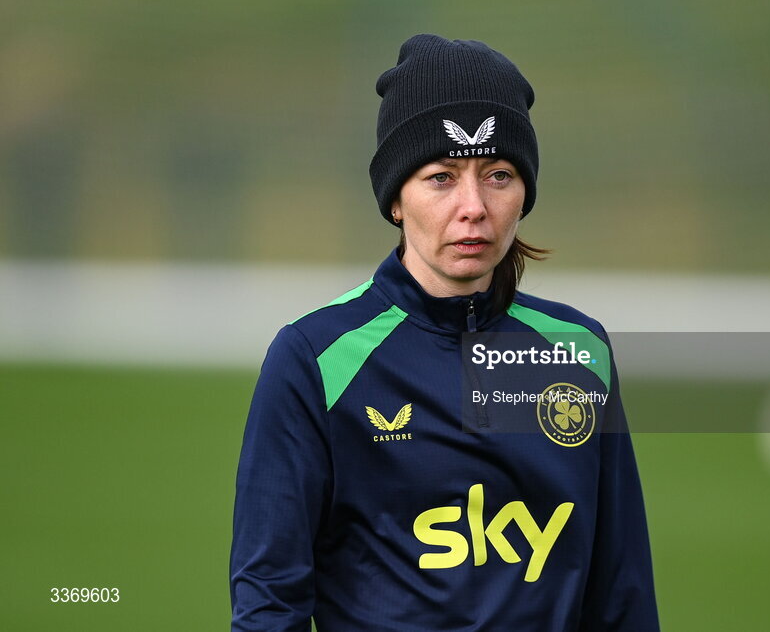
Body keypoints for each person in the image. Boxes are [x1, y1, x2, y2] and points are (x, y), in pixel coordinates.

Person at [230, 33, 659, 631]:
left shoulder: (579, 352)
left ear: (525, 192)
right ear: (395, 199)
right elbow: (268, 601)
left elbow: (622, 594)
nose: (474, 206)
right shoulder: (315, 359)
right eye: (441, 176)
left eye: (499, 174)